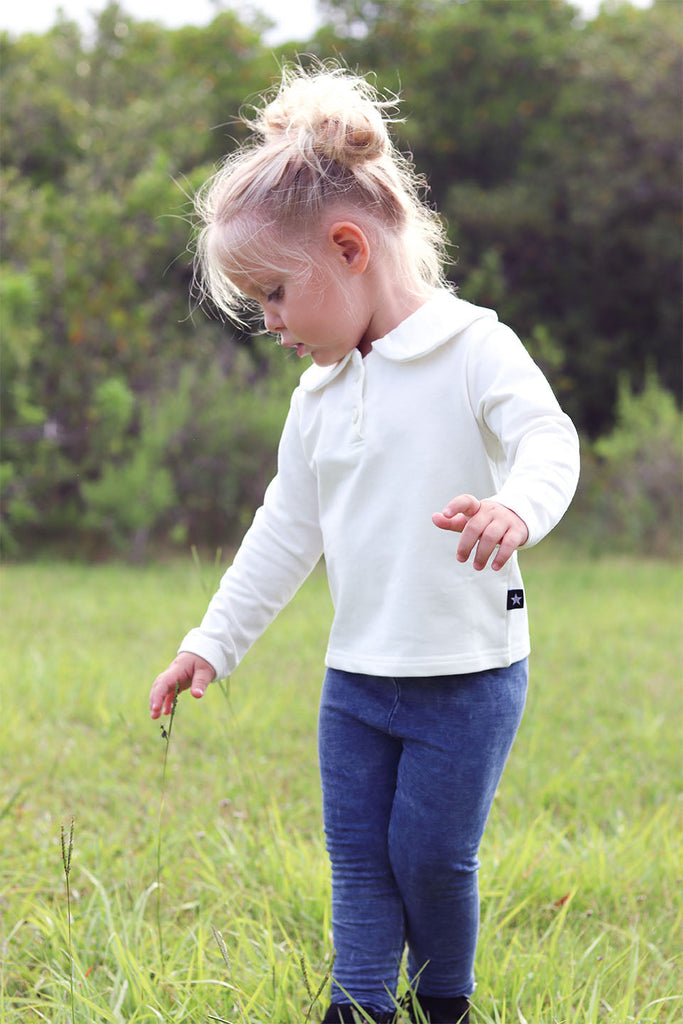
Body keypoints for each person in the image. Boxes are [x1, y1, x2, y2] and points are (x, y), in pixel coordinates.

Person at [149, 64, 580, 1024]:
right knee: (357, 861)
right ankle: (357, 1006)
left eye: (272, 295)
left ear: (348, 247)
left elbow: (548, 441)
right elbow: (283, 531)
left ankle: (444, 1003)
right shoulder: (317, 396)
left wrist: (517, 507)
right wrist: (207, 643)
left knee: (430, 858)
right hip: (357, 683)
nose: (269, 324)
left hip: (466, 677)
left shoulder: (475, 346)